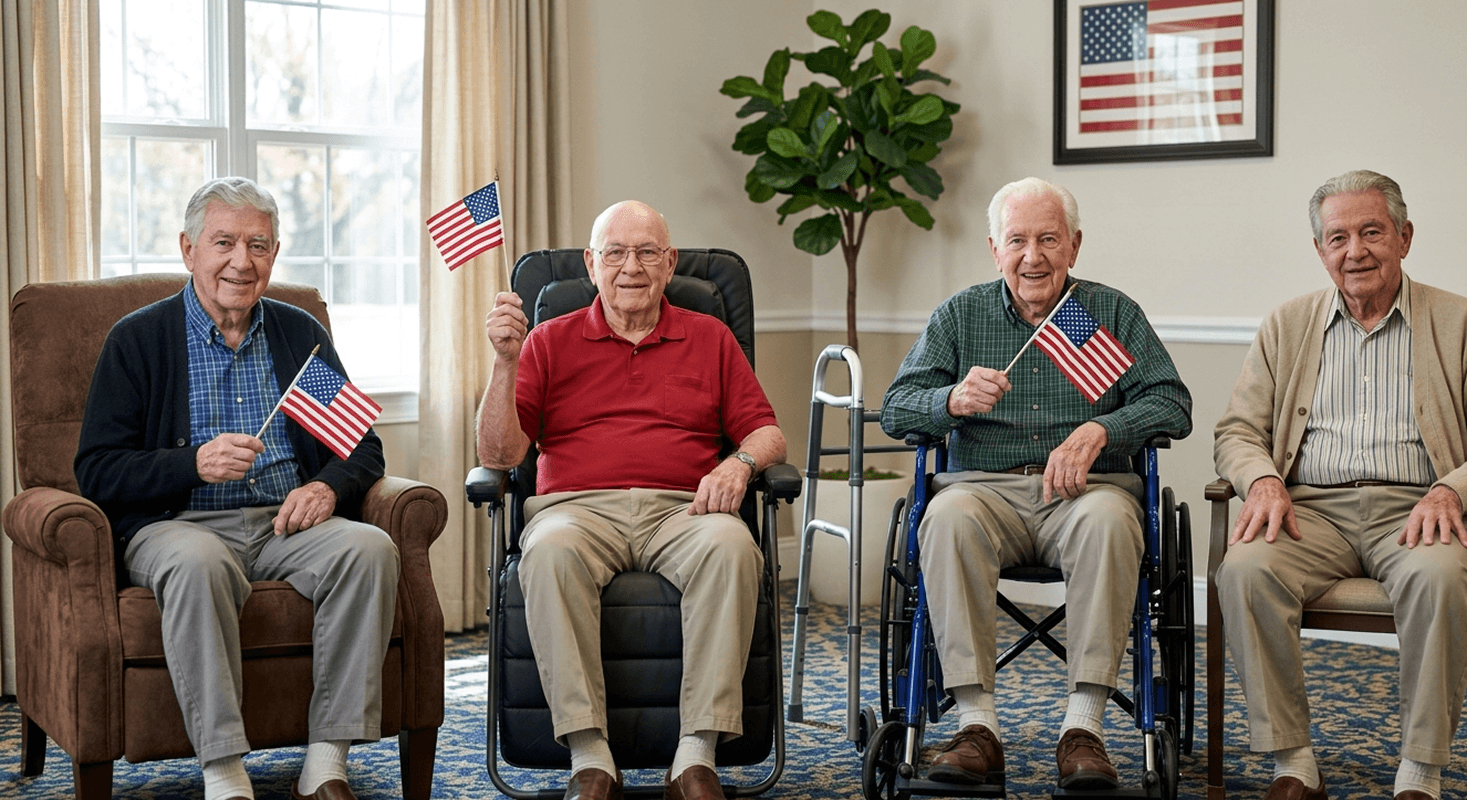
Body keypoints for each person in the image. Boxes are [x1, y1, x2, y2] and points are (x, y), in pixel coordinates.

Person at [74, 177, 400, 800]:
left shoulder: (297, 333)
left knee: (369, 550)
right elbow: (97, 469)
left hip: (285, 524)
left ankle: (326, 761)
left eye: (258, 244)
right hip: (178, 527)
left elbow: (363, 448)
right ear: (188, 249)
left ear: (275, 254)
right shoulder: (138, 340)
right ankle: (224, 772)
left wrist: (329, 488)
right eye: (224, 242)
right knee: (198, 564)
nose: (241, 261)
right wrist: (191, 464)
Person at [880, 177, 1193, 790]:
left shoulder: (1107, 313)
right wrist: (951, 398)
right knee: (943, 517)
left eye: (1048, 239)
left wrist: (1104, 428)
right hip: (983, 491)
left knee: (1109, 522)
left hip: (1086, 494)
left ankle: (1084, 730)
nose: (1033, 256)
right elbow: (896, 408)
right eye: (1017, 240)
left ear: (1074, 246)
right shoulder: (961, 314)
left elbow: (1172, 403)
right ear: (994, 249)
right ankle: (977, 728)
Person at [475, 200, 787, 800]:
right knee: (547, 553)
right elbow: (499, 455)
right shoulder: (547, 339)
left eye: (647, 252)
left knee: (734, 546)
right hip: (575, 508)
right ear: (591, 265)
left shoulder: (710, 336)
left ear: (669, 264)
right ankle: (591, 758)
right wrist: (505, 361)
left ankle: (695, 757)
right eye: (614, 253)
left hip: (682, 509)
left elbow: (766, 432)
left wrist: (740, 463)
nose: (631, 267)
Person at [1214, 169, 1467, 800]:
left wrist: (1451, 488)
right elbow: (1237, 431)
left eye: (1372, 232)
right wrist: (1265, 479)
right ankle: (1293, 761)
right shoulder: (1287, 323)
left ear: (1405, 237)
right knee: (1244, 570)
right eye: (1338, 238)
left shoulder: (1457, 321)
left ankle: (1420, 769)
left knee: (1438, 578)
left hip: (1415, 510)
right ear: (1321, 250)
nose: (1354, 251)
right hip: (1308, 512)